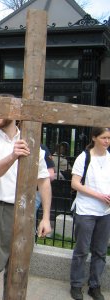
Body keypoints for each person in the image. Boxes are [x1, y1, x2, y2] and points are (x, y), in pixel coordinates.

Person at [0, 113, 52, 300]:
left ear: (15, 114)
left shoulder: (31, 142)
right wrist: (12, 155)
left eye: (1, 110)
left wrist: (46, 217)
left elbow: (43, 181)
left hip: (25, 212)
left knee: (17, 269)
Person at [69, 127, 110, 300]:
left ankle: (95, 286)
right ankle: (76, 285)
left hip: (105, 212)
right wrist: (99, 195)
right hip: (86, 210)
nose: (107, 141)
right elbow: (75, 184)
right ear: (94, 138)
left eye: (109, 138)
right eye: (103, 137)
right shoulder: (84, 157)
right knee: (82, 250)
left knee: (100, 251)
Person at [35, 144, 56, 214]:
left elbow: (50, 175)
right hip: (33, 191)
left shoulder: (40, 147)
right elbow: (51, 175)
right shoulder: (40, 147)